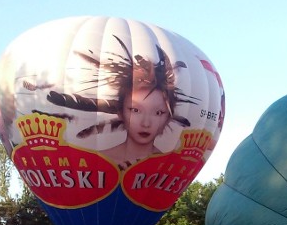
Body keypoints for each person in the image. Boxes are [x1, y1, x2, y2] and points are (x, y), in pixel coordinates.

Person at [47, 38, 194, 172]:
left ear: (169, 116)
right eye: (135, 110)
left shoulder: (168, 169)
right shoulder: (97, 160)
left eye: (158, 113)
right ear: (120, 111)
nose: (146, 123)